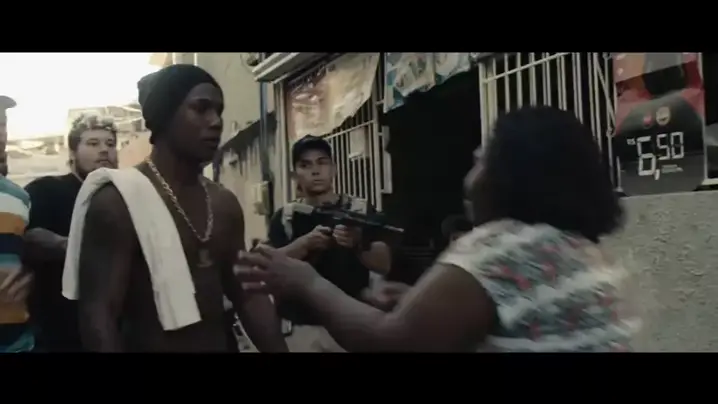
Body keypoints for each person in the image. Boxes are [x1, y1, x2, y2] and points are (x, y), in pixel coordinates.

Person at [243, 106, 639, 352]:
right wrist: (419, 302)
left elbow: (391, 342)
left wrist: (308, 283)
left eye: (480, 161)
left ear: (510, 177)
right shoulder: (581, 251)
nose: (468, 179)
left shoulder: (503, 246)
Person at [76, 64, 287, 352]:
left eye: (218, 111)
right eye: (201, 108)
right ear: (165, 115)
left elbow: (248, 297)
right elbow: (98, 315)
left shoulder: (223, 204)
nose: (216, 121)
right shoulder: (117, 201)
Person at [266, 134, 392, 352]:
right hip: (302, 330)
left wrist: (358, 243)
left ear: (333, 169)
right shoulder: (286, 217)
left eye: (322, 162)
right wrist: (304, 245)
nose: (315, 171)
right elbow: (268, 268)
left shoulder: (359, 210)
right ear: (295, 175)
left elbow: (384, 264)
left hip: (353, 325)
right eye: (305, 165)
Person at [23, 113, 118, 352]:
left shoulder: (124, 196)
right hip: (58, 329)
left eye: (110, 144)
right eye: (93, 143)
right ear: (73, 152)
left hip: (114, 327)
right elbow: (31, 236)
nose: (104, 150)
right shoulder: (47, 189)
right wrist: (76, 247)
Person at [0, 95, 35, 353]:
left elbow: (19, 258)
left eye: (2, 123)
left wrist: (30, 277)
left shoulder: (19, 196)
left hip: (17, 344)